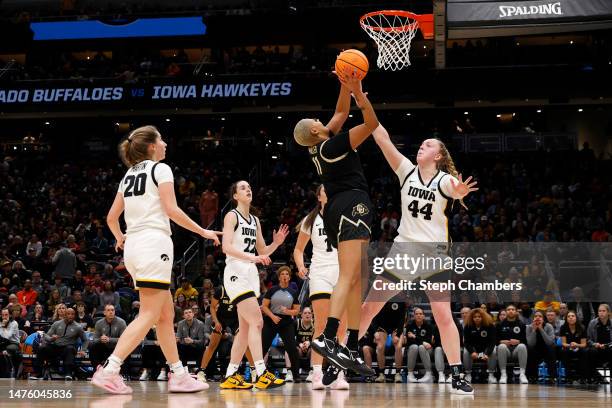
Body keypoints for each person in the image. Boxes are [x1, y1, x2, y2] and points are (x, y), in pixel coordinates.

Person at [92, 125, 220, 394]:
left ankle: (179, 373)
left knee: (165, 314)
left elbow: (112, 218)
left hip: (135, 247)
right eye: (161, 139)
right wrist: (202, 231)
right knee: (150, 313)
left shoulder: (128, 175)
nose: (164, 144)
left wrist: (120, 237)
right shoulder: (160, 169)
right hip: (153, 243)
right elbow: (171, 209)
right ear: (151, 146)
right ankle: (110, 369)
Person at [358, 124, 478, 394]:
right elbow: (380, 136)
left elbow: (454, 189)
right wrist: (360, 98)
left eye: (428, 145)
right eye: (421, 144)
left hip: (434, 254)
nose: (421, 147)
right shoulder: (406, 171)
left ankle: (456, 373)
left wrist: (460, 192)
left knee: (443, 315)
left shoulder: (444, 180)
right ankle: (341, 356)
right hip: (405, 250)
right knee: (370, 305)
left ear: (438, 156)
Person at [294, 69, 378, 377]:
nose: (321, 119)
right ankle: (329, 337)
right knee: (349, 276)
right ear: (315, 131)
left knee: (356, 279)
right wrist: (360, 94)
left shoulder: (322, 142)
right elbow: (371, 124)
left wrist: (345, 83)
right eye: (316, 121)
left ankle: (352, 346)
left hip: (342, 206)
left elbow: (341, 112)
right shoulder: (332, 146)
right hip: (349, 204)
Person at [219, 180, 289, 390]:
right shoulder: (232, 216)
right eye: (242, 188)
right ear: (235, 196)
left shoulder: (255, 221)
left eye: (249, 187)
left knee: (246, 328)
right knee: (257, 322)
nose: (247, 189)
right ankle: (260, 372)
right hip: (235, 272)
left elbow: (263, 252)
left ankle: (230, 375)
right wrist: (254, 258)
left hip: (249, 273)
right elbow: (226, 247)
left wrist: (275, 243)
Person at [293, 184, 348, 389]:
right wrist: (300, 265)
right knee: (322, 325)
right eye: (326, 188)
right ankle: (316, 373)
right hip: (320, 272)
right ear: (319, 196)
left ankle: (339, 374)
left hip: (342, 272)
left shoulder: (344, 216)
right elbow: (298, 250)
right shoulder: (310, 220)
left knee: (342, 326)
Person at [195, 283, 254, 383]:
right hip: (221, 319)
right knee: (212, 346)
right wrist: (217, 322)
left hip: (236, 319)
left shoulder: (242, 290)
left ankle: (254, 370)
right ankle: (201, 372)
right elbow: (212, 307)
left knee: (244, 345)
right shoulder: (221, 290)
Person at [260, 266, 301, 383]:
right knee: (263, 347)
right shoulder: (272, 290)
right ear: (279, 277)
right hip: (271, 320)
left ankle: (296, 375)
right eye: (282, 274)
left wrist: (287, 311)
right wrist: (273, 317)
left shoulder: (293, 292)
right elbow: (264, 306)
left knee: (292, 349)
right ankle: (257, 372)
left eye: (287, 274)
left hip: (286, 322)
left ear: (289, 277)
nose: (285, 276)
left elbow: (297, 310)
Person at [38, 308, 88, 380]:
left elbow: (85, 340)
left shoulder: (78, 327)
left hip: (68, 348)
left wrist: (83, 350)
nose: (70, 316)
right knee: (41, 348)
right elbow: (46, 335)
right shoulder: (57, 324)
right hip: (56, 347)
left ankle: (68, 373)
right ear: (65, 315)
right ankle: (39, 373)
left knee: (69, 349)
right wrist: (51, 339)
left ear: (74, 316)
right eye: (68, 314)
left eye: (72, 314)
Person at [462, 308, 497, 384]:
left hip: (485, 351)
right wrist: (472, 352)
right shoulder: (467, 326)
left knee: (493, 351)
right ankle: (468, 374)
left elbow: (492, 342)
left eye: (479, 317)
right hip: (474, 351)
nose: (477, 318)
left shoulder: (490, 326)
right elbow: (466, 342)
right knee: (465, 351)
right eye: (475, 317)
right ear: (472, 318)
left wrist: (487, 353)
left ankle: (491, 374)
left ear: (483, 317)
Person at [497, 304, 528, 384]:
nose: (510, 311)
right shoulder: (500, 325)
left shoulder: (521, 324)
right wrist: (500, 341)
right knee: (501, 346)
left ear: (516, 312)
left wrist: (518, 341)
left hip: (516, 352)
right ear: (506, 312)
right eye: (508, 309)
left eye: (513, 309)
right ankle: (503, 375)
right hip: (505, 352)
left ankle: (522, 374)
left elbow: (526, 341)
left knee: (522, 346)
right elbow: (494, 340)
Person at [89, 305, 127, 371]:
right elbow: (94, 339)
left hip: (117, 349)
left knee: (126, 347)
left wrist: (109, 339)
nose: (111, 312)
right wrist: (100, 339)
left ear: (115, 312)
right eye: (108, 310)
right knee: (92, 346)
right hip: (104, 348)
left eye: (112, 310)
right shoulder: (99, 323)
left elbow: (124, 340)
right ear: (104, 313)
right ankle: (98, 369)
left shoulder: (121, 322)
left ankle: (124, 373)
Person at [526, 310, 557, 383]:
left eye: (540, 316)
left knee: (552, 349)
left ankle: (552, 377)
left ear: (543, 319)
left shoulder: (548, 326)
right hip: (535, 349)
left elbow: (549, 342)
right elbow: (530, 343)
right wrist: (534, 330)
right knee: (529, 349)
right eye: (536, 316)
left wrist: (541, 329)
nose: (538, 318)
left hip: (547, 349)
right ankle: (533, 377)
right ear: (533, 319)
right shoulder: (529, 327)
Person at [559, 310, 588, 383]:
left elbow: (584, 344)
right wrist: (570, 345)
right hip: (569, 348)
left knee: (585, 352)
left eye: (573, 316)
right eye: (568, 316)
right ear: (566, 319)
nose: (570, 318)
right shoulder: (563, 327)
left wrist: (576, 345)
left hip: (579, 348)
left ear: (576, 318)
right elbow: (563, 343)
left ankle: (583, 378)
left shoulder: (582, 327)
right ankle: (568, 377)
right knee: (564, 351)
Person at [586, 303, 612, 384]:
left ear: (608, 312)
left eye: (603, 311)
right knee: (591, 352)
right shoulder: (592, 323)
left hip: (609, 347)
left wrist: (607, 345)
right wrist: (594, 344)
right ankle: (594, 377)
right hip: (596, 347)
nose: (601, 313)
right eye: (599, 311)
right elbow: (588, 339)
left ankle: (609, 377)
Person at [0, 308, 20, 377]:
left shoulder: (14, 323)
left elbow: (7, 336)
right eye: (2, 315)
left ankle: (9, 372)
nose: (4, 317)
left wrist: (3, 327)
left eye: (6, 315)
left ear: (10, 315)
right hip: (3, 342)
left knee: (7, 349)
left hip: (14, 343)